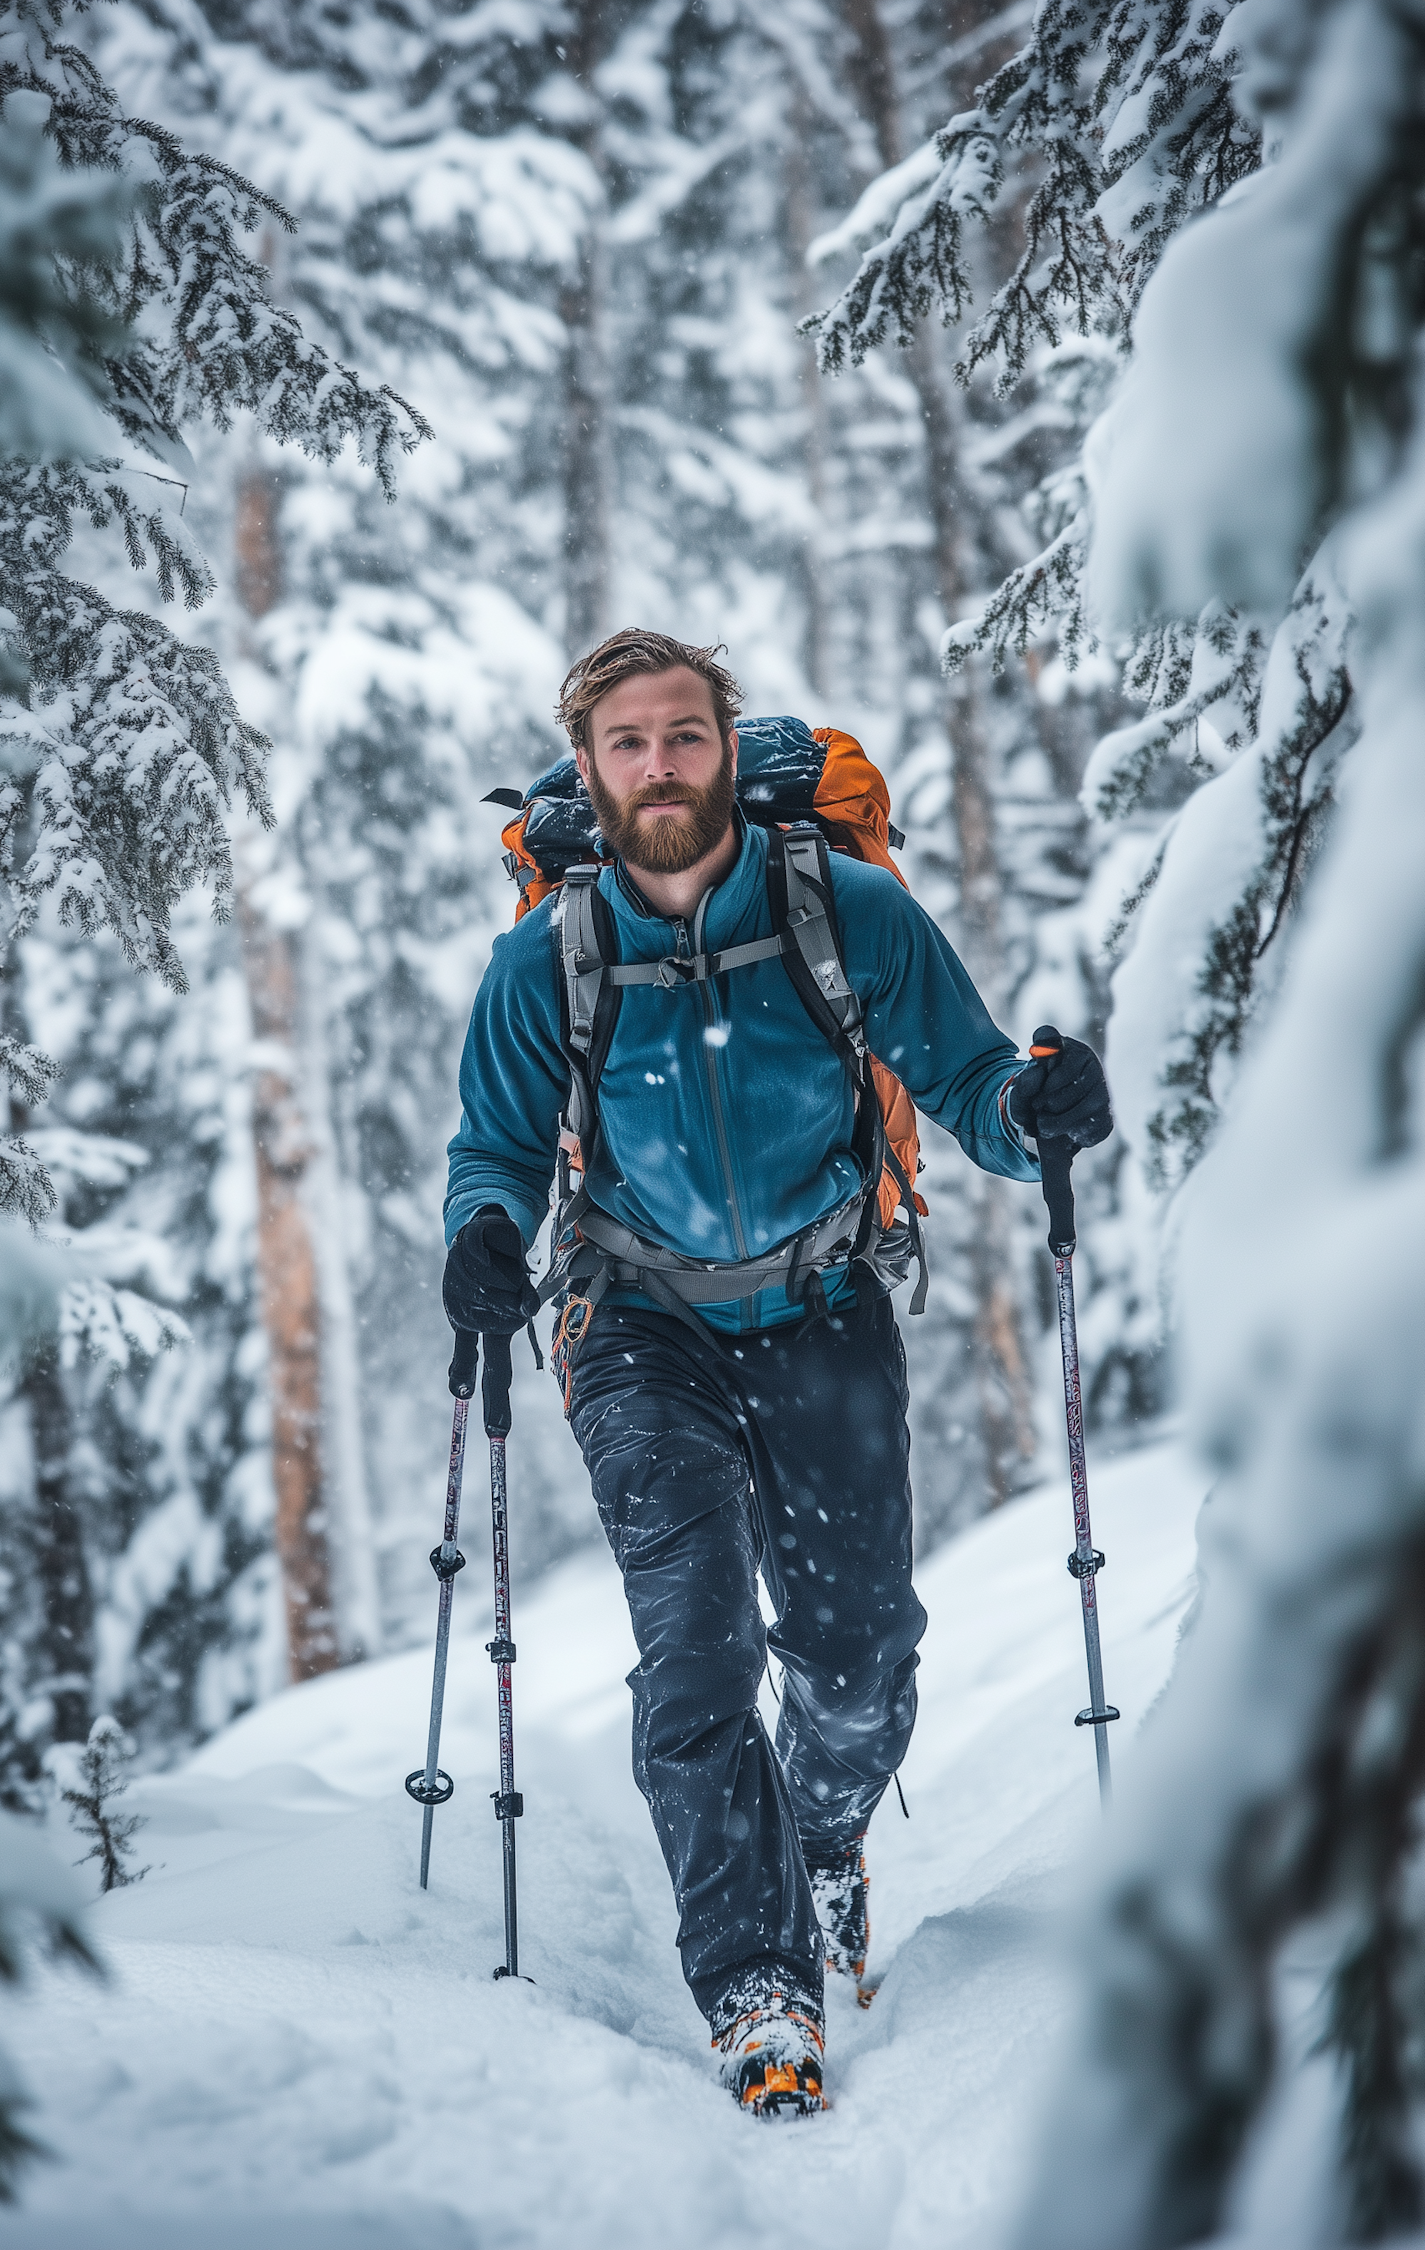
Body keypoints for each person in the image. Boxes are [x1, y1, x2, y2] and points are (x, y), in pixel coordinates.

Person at [442, 628, 1113, 2118]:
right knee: (695, 1652)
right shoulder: (546, 956)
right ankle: (753, 1981)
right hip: (635, 1330)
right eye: (630, 742)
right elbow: (490, 1150)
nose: (661, 764)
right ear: (594, 767)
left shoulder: (846, 910)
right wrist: (483, 1237)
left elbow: (966, 1076)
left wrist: (1037, 1106)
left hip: (821, 1302)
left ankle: (823, 1834)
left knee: (860, 1650)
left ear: (725, 749)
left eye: (685, 734)